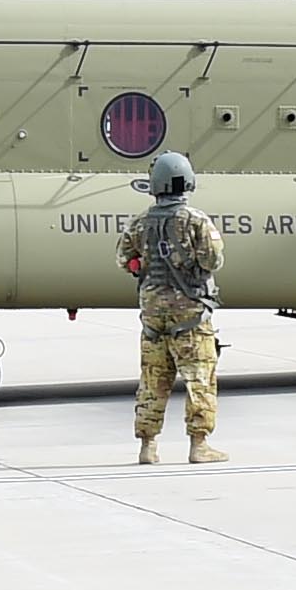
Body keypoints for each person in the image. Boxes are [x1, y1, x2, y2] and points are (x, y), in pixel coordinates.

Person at [116, 150, 229, 465]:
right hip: (190, 315)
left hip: (153, 315)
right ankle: (199, 445)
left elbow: (124, 260)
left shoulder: (140, 222)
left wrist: (145, 265)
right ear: (186, 182)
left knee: (153, 379)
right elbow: (214, 260)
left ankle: (147, 447)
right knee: (199, 378)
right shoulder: (196, 220)